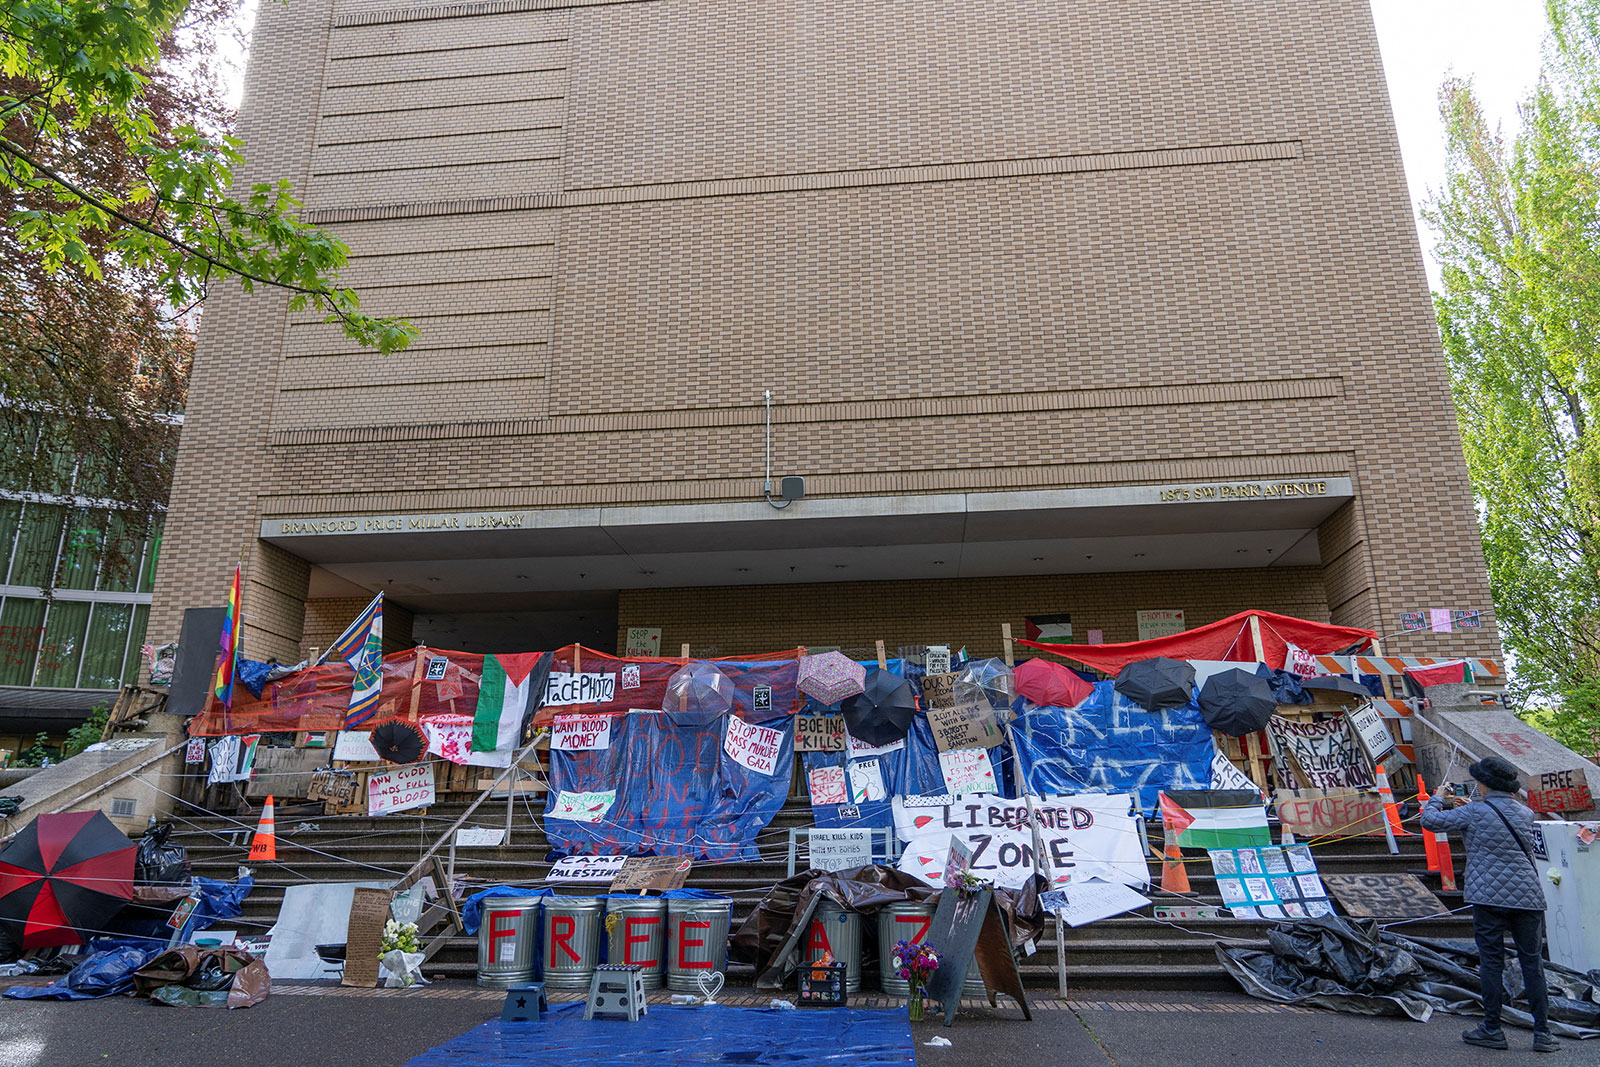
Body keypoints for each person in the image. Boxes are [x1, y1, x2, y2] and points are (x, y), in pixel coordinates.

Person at [1421, 755, 1557, 1053]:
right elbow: (1493, 819)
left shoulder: (1474, 813)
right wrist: (1467, 809)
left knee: (1491, 963)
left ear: (1484, 783)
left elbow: (1430, 822)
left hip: (1488, 896)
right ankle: (1543, 1034)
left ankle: (1492, 1029)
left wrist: (1436, 799)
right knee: (1532, 963)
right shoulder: (1525, 813)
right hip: (1527, 896)